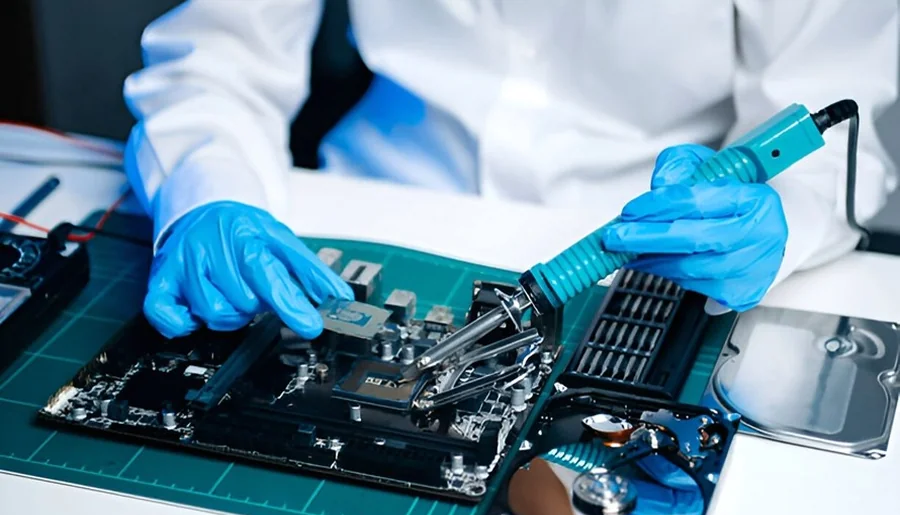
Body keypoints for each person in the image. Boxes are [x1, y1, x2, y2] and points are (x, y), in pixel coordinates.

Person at [124, 0, 897, 340]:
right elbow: (217, 55)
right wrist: (207, 191)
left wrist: (782, 221)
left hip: (646, 259)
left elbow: (830, 117)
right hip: (363, 201)